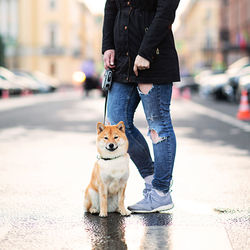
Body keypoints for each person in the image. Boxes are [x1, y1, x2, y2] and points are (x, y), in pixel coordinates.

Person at [102, 0, 180, 213]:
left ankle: (161, 192)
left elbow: (166, 11)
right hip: (122, 62)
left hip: (153, 59)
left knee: (158, 126)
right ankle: (152, 179)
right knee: (116, 123)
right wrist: (107, 45)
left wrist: (145, 51)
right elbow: (111, 7)